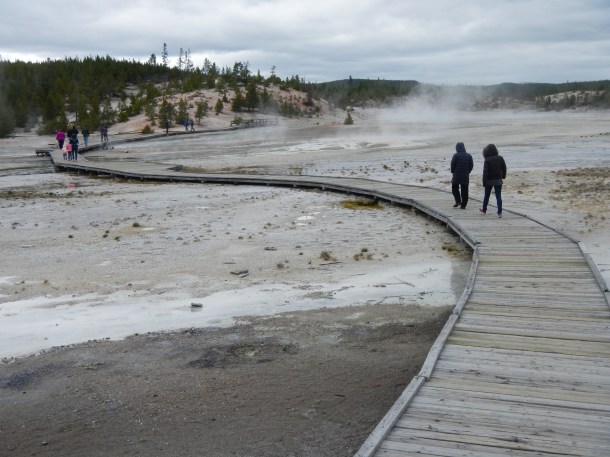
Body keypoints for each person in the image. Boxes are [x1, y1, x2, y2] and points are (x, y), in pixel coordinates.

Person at [479, 144, 507, 218]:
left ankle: (484, 209)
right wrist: (503, 176)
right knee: (498, 196)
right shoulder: (500, 158)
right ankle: (499, 212)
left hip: (489, 181)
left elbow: (485, 173)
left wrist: (484, 182)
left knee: (487, 196)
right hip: (498, 180)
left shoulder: (487, 160)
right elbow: (504, 168)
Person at [450, 142, 474, 209]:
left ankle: (458, 200)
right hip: (465, 175)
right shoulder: (469, 156)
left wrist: (452, 171)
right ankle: (463, 205)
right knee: (465, 190)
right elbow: (471, 166)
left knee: (454, 187)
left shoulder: (456, 155)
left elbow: (452, 164)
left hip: (456, 175)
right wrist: (468, 171)